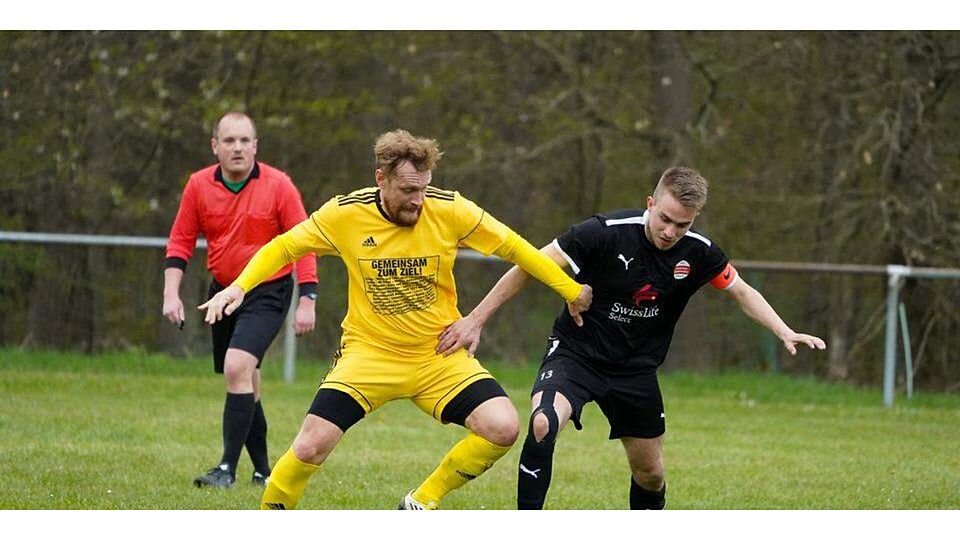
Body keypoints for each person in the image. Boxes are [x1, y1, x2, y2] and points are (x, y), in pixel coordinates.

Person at [198, 129, 593, 510]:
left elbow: (516, 248)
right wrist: (240, 287)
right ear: (380, 179)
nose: (418, 200)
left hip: (438, 354)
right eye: (407, 190)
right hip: (369, 356)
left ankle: (421, 501)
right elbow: (284, 247)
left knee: (503, 426)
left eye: (423, 188)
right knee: (309, 446)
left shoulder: (450, 209)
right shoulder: (345, 214)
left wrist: (569, 290)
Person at [436, 166, 827, 509]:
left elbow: (741, 291)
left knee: (651, 474)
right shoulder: (602, 233)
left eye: (683, 224)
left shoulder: (700, 252)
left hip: (635, 372)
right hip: (576, 356)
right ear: (651, 201)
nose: (671, 232)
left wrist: (783, 329)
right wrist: (476, 319)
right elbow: (530, 265)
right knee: (542, 423)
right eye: (666, 218)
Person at [162, 112, 319, 489]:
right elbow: (181, 242)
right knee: (247, 381)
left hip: (268, 292)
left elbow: (305, 241)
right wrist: (171, 293)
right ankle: (265, 472)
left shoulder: (279, 185)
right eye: (229, 141)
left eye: (245, 140)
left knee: (236, 368)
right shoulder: (198, 185)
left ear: (255, 146)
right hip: (223, 292)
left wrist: (308, 297)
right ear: (215, 146)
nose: (237, 148)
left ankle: (225, 469)